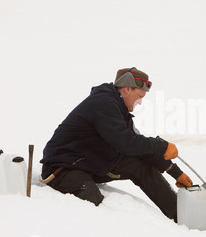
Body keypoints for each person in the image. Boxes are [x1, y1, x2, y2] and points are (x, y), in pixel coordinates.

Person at [40, 67, 192, 222]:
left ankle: (180, 218)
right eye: (139, 96)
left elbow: (137, 146)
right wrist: (161, 145)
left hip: (92, 162)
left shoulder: (119, 109)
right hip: (62, 168)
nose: (140, 102)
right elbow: (125, 143)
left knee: (142, 167)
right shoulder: (103, 103)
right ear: (126, 89)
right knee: (91, 198)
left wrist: (175, 172)